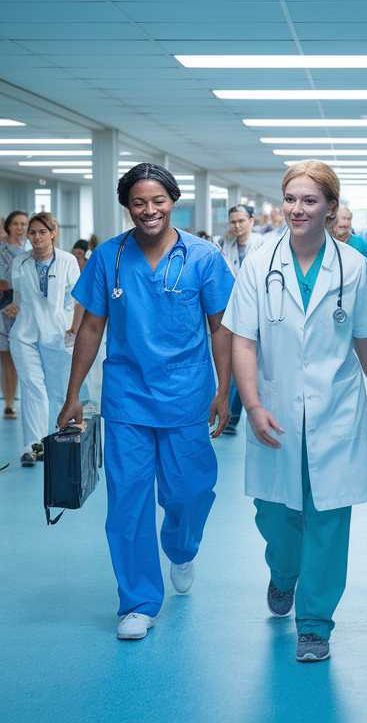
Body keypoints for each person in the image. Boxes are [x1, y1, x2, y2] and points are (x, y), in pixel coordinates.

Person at [224, 159, 367, 663]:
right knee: (275, 514)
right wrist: (251, 404)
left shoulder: (354, 266)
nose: (297, 209)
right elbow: (243, 341)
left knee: (328, 517)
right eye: (291, 199)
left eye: (310, 201)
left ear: (331, 208)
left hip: (335, 409)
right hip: (273, 407)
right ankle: (283, 572)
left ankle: (315, 622)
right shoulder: (258, 262)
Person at [58, 162, 235, 641]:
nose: (149, 210)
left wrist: (224, 389)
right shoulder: (108, 258)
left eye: (158, 200)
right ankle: (138, 601)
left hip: (186, 396)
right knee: (129, 503)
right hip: (127, 397)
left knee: (190, 491)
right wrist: (74, 394)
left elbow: (221, 327)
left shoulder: (202, 257)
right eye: (138, 202)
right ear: (127, 207)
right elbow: (92, 326)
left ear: (172, 201)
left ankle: (180, 546)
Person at [5, 212, 82, 467]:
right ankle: (33, 446)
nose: (36, 237)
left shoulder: (68, 261)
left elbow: (77, 298)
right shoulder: (20, 262)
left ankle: (58, 439)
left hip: (57, 334)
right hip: (24, 335)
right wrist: (9, 306)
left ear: (53, 233)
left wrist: (74, 328)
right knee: (33, 388)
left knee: (58, 390)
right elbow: (17, 296)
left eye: (41, 232)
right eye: (32, 233)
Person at [220, 204, 270, 437]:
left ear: (252, 221)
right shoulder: (225, 244)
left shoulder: (263, 244)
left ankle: (236, 414)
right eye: (233, 222)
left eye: (241, 221)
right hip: (231, 309)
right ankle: (232, 415)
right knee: (233, 362)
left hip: (257, 310)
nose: (237, 226)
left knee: (248, 361)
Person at [0, 210, 29, 420]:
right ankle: (9, 403)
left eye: (24, 224)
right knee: (6, 358)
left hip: (24, 311)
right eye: (17, 224)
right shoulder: (1, 251)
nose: (20, 228)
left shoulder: (29, 252)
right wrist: (4, 305)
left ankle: (16, 400)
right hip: (3, 310)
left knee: (18, 358)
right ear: (8, 226)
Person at [329, 206, 367, 281]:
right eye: (343, 218)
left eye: (349, 219)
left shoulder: (360, 244)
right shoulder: (324, 242)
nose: (346, 223)